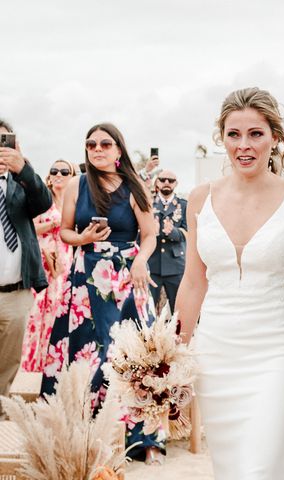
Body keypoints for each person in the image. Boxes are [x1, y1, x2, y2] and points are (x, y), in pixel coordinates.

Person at [175, 87, 284, 479]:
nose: (244, 145)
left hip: (277, 350)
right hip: (217, 354)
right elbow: (193, 283)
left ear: (275, 138)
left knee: (259, 466)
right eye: (234, 134)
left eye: (256, 134)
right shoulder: (199, 199)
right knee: (232, 468)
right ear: (222, 138)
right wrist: (173, 356)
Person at [40, 123, 165, 464]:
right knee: (84, 353)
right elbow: (65, 230)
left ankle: (141, 438)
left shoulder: (134, 185)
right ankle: (82, 433)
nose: (97, 149)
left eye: (105, 144)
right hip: (85, 277)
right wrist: (82, 239)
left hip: (127, 275)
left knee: (134, 354)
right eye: (91, 144)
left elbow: (150, 234)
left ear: (119, 150)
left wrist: (141, 260)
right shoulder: (77, 184)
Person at [0, 119, 52, 416]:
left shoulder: (22, 180)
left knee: (8, 360)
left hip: (16, 290)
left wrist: (23, 169)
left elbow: (43, 203)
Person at [21, 159, 75, 372]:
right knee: (35, 316)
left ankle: (50, 366)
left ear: (71, 176)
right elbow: (27, 228)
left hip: (63, 265)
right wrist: (54, 223)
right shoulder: (42, 200)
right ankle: (29, 366)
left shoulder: (74, 201)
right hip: (41, 263)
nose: (58, 174)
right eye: (54, 170)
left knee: (56, 315)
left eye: (64, 171)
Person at [148, 170, 187, 314]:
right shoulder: (148, 203)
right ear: (157, 182)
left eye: (170, 180)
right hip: (152, 263)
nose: (166, 183)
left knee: (179, 310)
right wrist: (151, 230)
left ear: (176, 184)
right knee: (149, 310)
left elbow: (188, 234)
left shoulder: (183, 205)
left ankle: (179, 337)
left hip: (175, 265)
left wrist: (173, 232)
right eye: (163, 179)